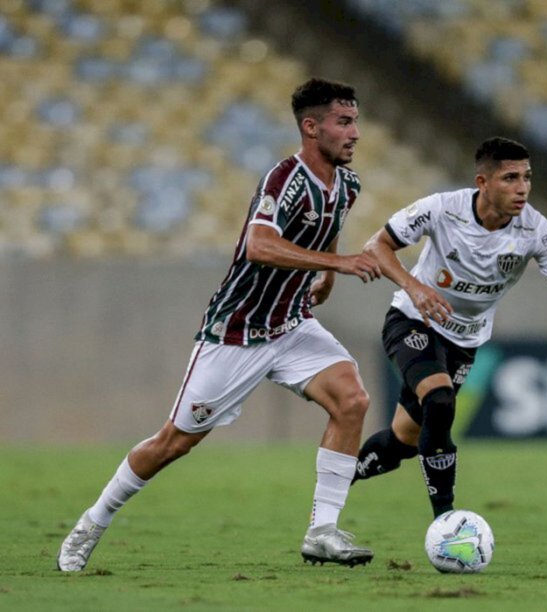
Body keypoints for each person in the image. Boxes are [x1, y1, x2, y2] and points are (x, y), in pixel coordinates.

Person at [57, 78, 384, 571]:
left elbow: (329, 228)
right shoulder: (285, 180)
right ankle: (91, 523)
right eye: (344, 122)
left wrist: (327, 277)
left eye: (355, 120)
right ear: (311, 127)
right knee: (175, 442)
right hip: (237, 331)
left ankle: (322, 531)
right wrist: (338, 265)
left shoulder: (348, 184)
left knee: (353, 399)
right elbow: (258, 245)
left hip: (291, 324)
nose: (355, 132)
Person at [350, 136, 547, 518]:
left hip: (465, 340)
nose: (523, 188)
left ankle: (340, 478)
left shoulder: (537, 231)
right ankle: (446, 520)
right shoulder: (442, 209)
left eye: (527, 178)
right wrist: (414, 288)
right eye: (510, 178)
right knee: (440, 399)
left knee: (404, 440)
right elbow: (376, 247)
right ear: (483, 183)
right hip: (415, 320)